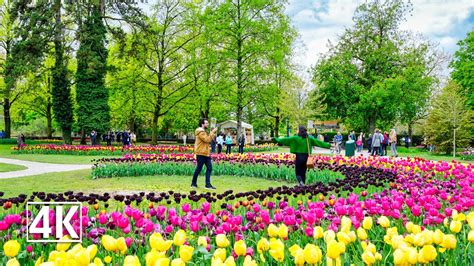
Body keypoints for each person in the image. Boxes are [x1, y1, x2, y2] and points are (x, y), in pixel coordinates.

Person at [191, 119, 217, 190]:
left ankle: (208, 185)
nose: (208, 124)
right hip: (201, 153)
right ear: (202, 124)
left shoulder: (203, 132)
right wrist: (212, 132)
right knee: (199, 168)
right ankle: (193, 183)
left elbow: (208, 140)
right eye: (206, 123)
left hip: (205, 153)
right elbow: (207, 140)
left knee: (209, 168)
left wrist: (212, 133)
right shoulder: (201, 132)